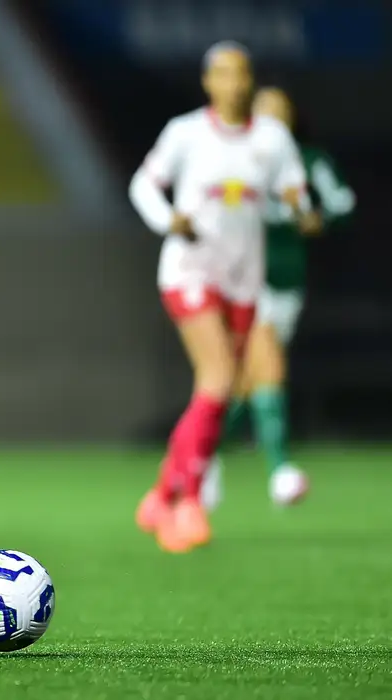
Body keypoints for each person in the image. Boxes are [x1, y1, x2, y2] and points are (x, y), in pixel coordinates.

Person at [128, 42, 311, 553]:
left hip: (242, 282)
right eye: (224, 73)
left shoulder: (272, 139)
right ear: (208, 82)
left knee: (217, 391)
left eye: (242, 72)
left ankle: (162, 493)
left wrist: (303, 208)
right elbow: (144, 184)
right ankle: (187, 501)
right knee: (219, 377)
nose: (234, 82)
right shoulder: (186, 133)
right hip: (189, 271)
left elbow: (294, 188)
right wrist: (169, 220)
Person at [199, 86, 355, 511]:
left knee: (245, 384)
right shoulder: (238, 161)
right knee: (267, 365)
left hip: (288, 281)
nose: (271, 120)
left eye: (279, 112)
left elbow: (343, 202)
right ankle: (281, 471)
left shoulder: (308, 162)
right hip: (246, 280)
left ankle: (202, 457)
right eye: (263, 111)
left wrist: (317, 219)